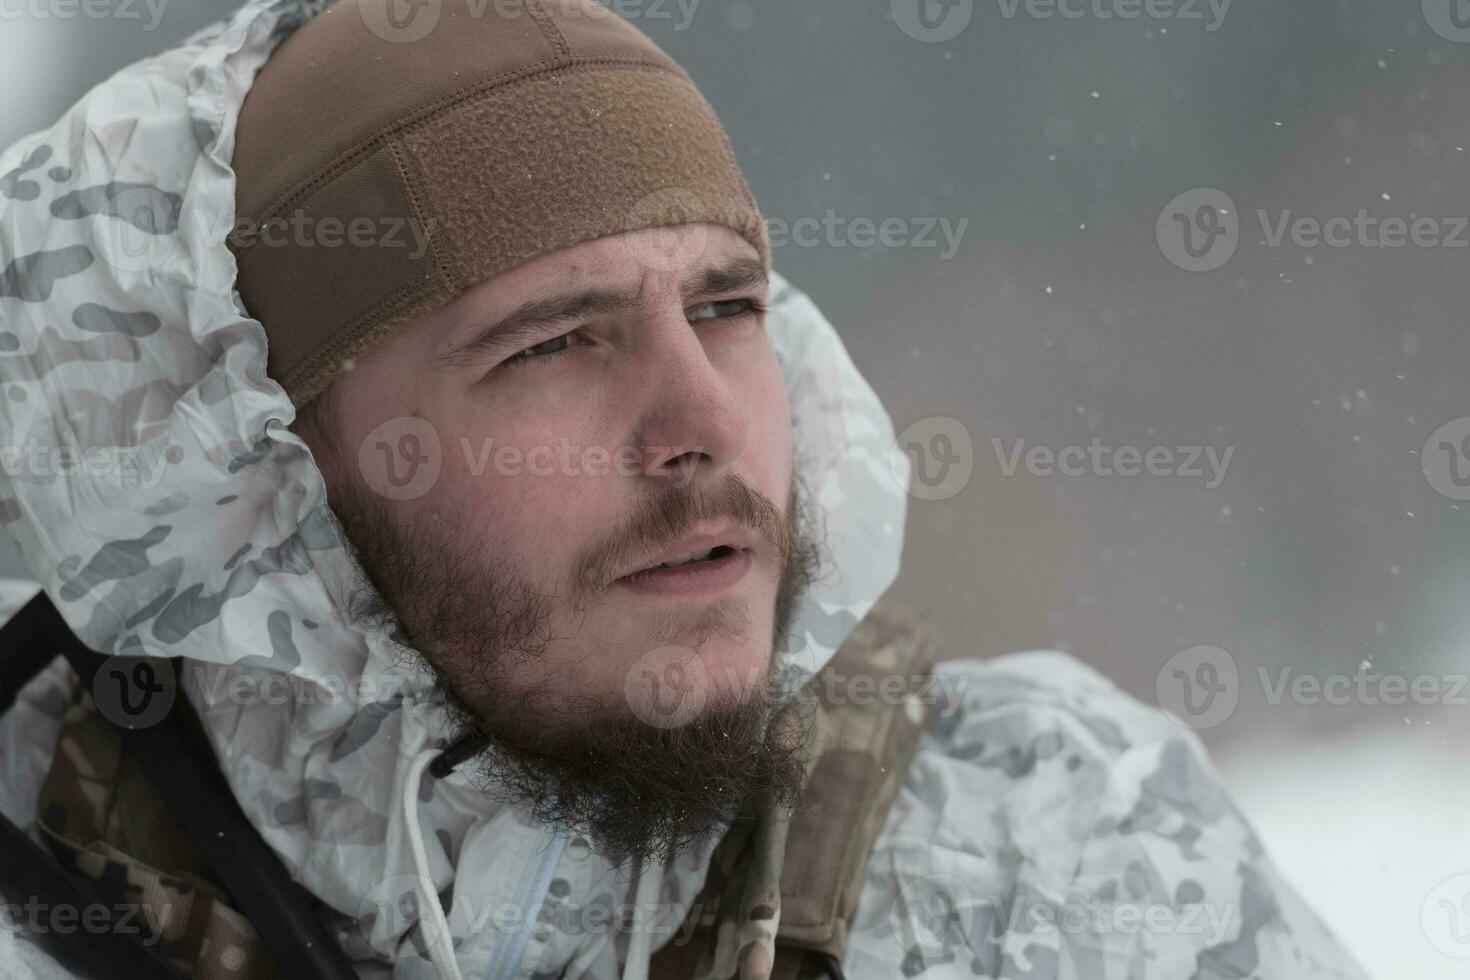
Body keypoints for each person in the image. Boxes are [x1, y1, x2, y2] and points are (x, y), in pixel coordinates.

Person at [0, 1, 1369, 978]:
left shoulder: (1065, 870)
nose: (703, 422)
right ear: (267, 479)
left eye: (724, 307)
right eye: (553, 343)